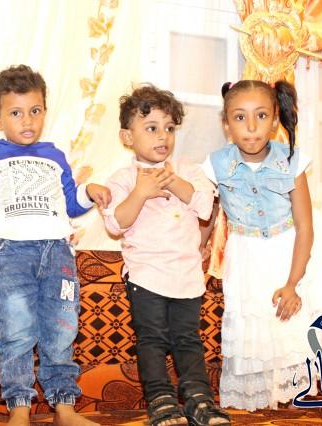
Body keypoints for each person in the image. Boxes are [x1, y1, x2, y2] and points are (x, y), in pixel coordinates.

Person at [202, 80, 322, 426]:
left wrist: (293, 283)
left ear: (275, 120)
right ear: (226, 124)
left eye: (261, 116)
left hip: (300, 250)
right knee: (272, 326)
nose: (251, 126)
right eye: (240, 117)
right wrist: (197, 251)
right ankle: (292, 391)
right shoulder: (215, 164)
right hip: (249, 257)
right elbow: (207, 213)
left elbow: (305, 225)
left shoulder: (290, 160)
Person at [0, 64, 110, 426]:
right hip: (10, 253)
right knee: (17, 330)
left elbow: (70, 203)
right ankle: (19, 407)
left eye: (35, 110)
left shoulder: (54, 156)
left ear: (44, 111)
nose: (27, 121)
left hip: (57, 253)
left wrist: (88, 192)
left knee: (63, 327)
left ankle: (64, 407)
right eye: (15, 113)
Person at [102, 84, 231, 426]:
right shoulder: (123, 179)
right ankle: (161, 401)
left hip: (187, 276)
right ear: (127, 137)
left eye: (169, 128)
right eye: (151, 128)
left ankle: (199, 400)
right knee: (152, 340)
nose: (163, 136)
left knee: (189, 340)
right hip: (146, 276)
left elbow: (206, 206)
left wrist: (172, 182)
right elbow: (115, 223)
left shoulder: (187, 170)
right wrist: (141, 192)